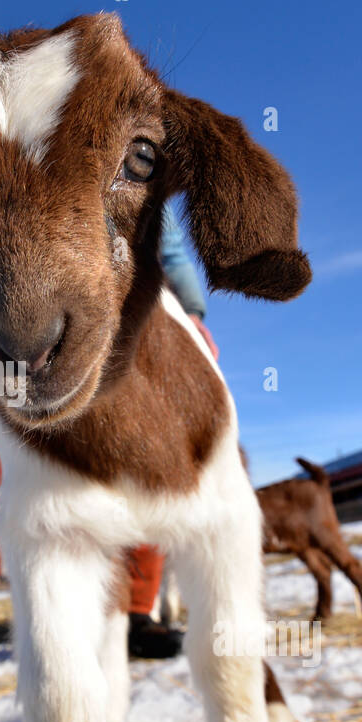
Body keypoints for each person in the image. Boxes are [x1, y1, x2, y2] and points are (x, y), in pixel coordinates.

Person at [126, 201, 217, 659]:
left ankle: (135, 615)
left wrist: (192, 317)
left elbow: (173, 252)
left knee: (151, 478)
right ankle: (119, 616)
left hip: (138, 322)